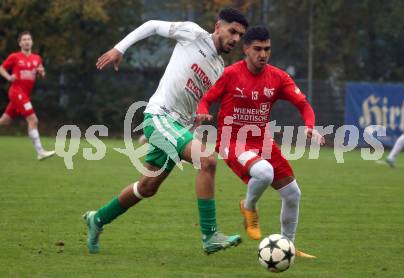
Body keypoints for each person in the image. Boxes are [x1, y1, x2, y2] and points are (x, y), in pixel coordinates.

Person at [83, 8, 248, 255]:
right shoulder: (192, 34)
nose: (235, 39)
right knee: (208, 160)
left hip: (176, 129)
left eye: (240, 35)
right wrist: (120, 48)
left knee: (147, 188)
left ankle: (97, 219)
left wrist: (194, 124)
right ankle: (210, 234)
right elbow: (150, 24)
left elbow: (194, 104)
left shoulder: (218, 68)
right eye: (232, 31)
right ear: (218, 26)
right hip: (159, 115)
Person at [197, 26, 324, 258]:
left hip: (262, 141)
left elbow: (304, 106)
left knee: (293, 194)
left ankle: (288, 247)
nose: (263, 54)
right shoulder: (230, 74)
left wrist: (310, 127)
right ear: (245, 49)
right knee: (264, 173)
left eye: (267, 49)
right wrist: (204, 112)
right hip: (231, 140)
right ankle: (249, 206)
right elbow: (206, 99)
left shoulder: (278, 77)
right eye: (257, 49)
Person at [0, 31, 55, 160]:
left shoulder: (37, 58)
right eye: (24, 39)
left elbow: (41, 73)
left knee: (4, 121)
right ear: (20, 43)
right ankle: (40, 152)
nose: (26, 41)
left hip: (25, 94)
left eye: (29, 39)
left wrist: (41, 72)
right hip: (16, 92)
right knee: (33, 120)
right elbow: (1, 68)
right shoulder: (15, 57)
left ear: (32, 42)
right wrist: (9, 77)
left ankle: (40, 152)